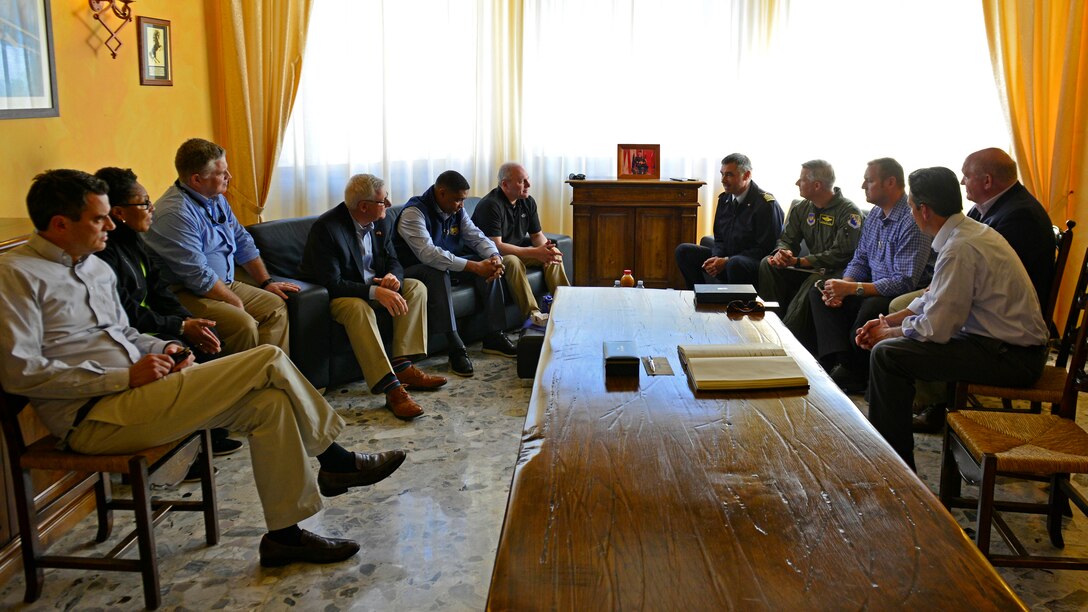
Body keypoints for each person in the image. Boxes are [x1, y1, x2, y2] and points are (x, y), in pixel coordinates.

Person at [0, 170, 408, 567]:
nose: (110, 224)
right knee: (267, 358)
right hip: (95, 417)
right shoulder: (17, 276)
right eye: (98, 218)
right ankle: (336, 459)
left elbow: (122, 331)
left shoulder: (93, 266)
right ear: (59, 224)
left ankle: (284, 537)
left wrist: (167, 346)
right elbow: (20, 373)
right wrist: (125, 376)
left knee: (270, 405)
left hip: (142, 392)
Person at [856, 167, 1048, 470]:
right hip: (996, 344)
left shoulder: (960, 247)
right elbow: (936, 296)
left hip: (1013, 357)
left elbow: (937, 327)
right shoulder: (965, 233)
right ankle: (891, 457)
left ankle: (893, 467)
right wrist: (893, 321)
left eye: (910, 206)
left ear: (923, 210)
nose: (910, 212)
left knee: (888, 355)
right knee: (891, 346)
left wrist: (887, 334)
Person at [93, 166, 241, 461]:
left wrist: (189, 321)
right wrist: (180, 327)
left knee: (208, 338)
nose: (152, 208)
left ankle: (205, 433)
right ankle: (183, 452)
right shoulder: (103, 255)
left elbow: (160, 289)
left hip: (155, 324)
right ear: (120, 212)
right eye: (144, 202)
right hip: (137, 333)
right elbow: (126, 313)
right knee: (183, 352)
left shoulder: (135, 240)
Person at [910, 147, 1056, 432]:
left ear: (987, 181)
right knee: (908, 310)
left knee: (909, 333)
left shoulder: (1020, 215)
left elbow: (997, 280)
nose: (963, 183)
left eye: (967, 176)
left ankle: (937, 405)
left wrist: (898, 325)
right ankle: (929, 400)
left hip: (1007, 329)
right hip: (988, 307)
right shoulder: (987, 207)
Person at [300, 174, 446, 420]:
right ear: (363, 206)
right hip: (339, 295)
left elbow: (393, 259)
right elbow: (332, 283)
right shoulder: (327, 229)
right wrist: (374, 291)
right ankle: (392, 389)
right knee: (359, 309)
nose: (389, 204)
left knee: (415, 287)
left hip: (374, 285)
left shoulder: (382, 221)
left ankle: (403, 365)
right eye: (383, 200)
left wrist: (393, 277)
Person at [143, 138, 297, 356]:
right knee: (242, 323)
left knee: (274, 306)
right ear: (196, 180)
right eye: (222, 173)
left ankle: (272, 378)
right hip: (186, 292)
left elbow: (243, 241)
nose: (229, 177)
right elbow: (197, 276)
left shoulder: (216, 199)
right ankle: (247, 385)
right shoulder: (174, 214)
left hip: (222, 283)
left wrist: (266, 282)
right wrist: (235, 302)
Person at [803, 158, 933, 392]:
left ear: (891, 182)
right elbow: (860, 258)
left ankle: (854, 371)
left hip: (899, 292)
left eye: (869, 180)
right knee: (820, 290)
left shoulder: (911, 219)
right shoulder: (874, 215)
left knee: (871, 306)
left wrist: (853, 289)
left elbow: (904, 281)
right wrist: (845, 284)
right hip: (868, 285)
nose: (863, 185)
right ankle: (841, 364)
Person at [393, 170, 516, 377]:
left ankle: (494, 334)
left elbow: (475, 236)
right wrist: (473, 266)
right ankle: (454, 346)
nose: (461, 204)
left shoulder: (457, 210)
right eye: (458, 200)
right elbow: (428, 254)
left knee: (487, 264)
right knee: (437, 270)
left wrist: (494, 256)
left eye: (463, 200)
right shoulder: (414, 213)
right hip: (415, 271)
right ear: (441, 193)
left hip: (449, 264)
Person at [757, 159, 863, 333]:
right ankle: (769, 322)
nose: (797, 183)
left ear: (817, 185)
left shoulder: (849, 212)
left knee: (816, 281)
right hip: (811, 267)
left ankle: (788, 334)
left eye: (802, 179)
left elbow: (841, 254)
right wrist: (782, 253)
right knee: (768, 264)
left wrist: (801, 262)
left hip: (838, 272)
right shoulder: (802, 208)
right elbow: (787, 238)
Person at [471, 162, 569, 326]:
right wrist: (535, 252)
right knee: (512, 261)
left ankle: (567, 304)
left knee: (553, 256)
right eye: (522, 181)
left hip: (516, 251)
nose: (528, 185)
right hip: (492, 256)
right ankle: (534, 314)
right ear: (505, 184)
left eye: (527, 180)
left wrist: (548, 250)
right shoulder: (491, 205)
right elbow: (497, 246)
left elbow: (537, 235)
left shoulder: (527, 202)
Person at [674, 153, 783, 288]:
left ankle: (733, 306)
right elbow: (719, 239)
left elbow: (766, 248)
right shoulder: (724, 200)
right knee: (684, 251)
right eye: (722, 174)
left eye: (729, 175)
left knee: (735, 264)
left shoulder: (766, 204)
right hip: (728, 260)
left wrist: (726, 261)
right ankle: (701, 297)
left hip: (753, 265)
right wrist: (716, 257)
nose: (723, 180)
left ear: (747, 175)